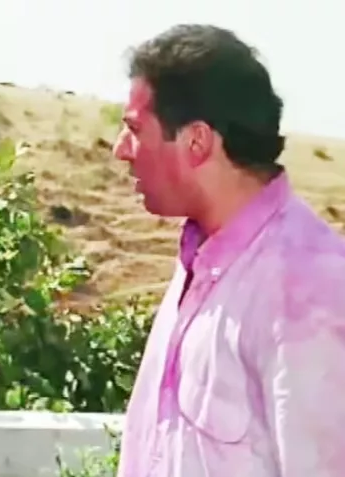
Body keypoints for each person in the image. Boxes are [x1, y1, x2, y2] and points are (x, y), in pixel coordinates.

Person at [113, 24, 345, 477]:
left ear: (197, 141)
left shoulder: (309, 287)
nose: (122, 150)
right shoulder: (200, 261)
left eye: (135, 130)